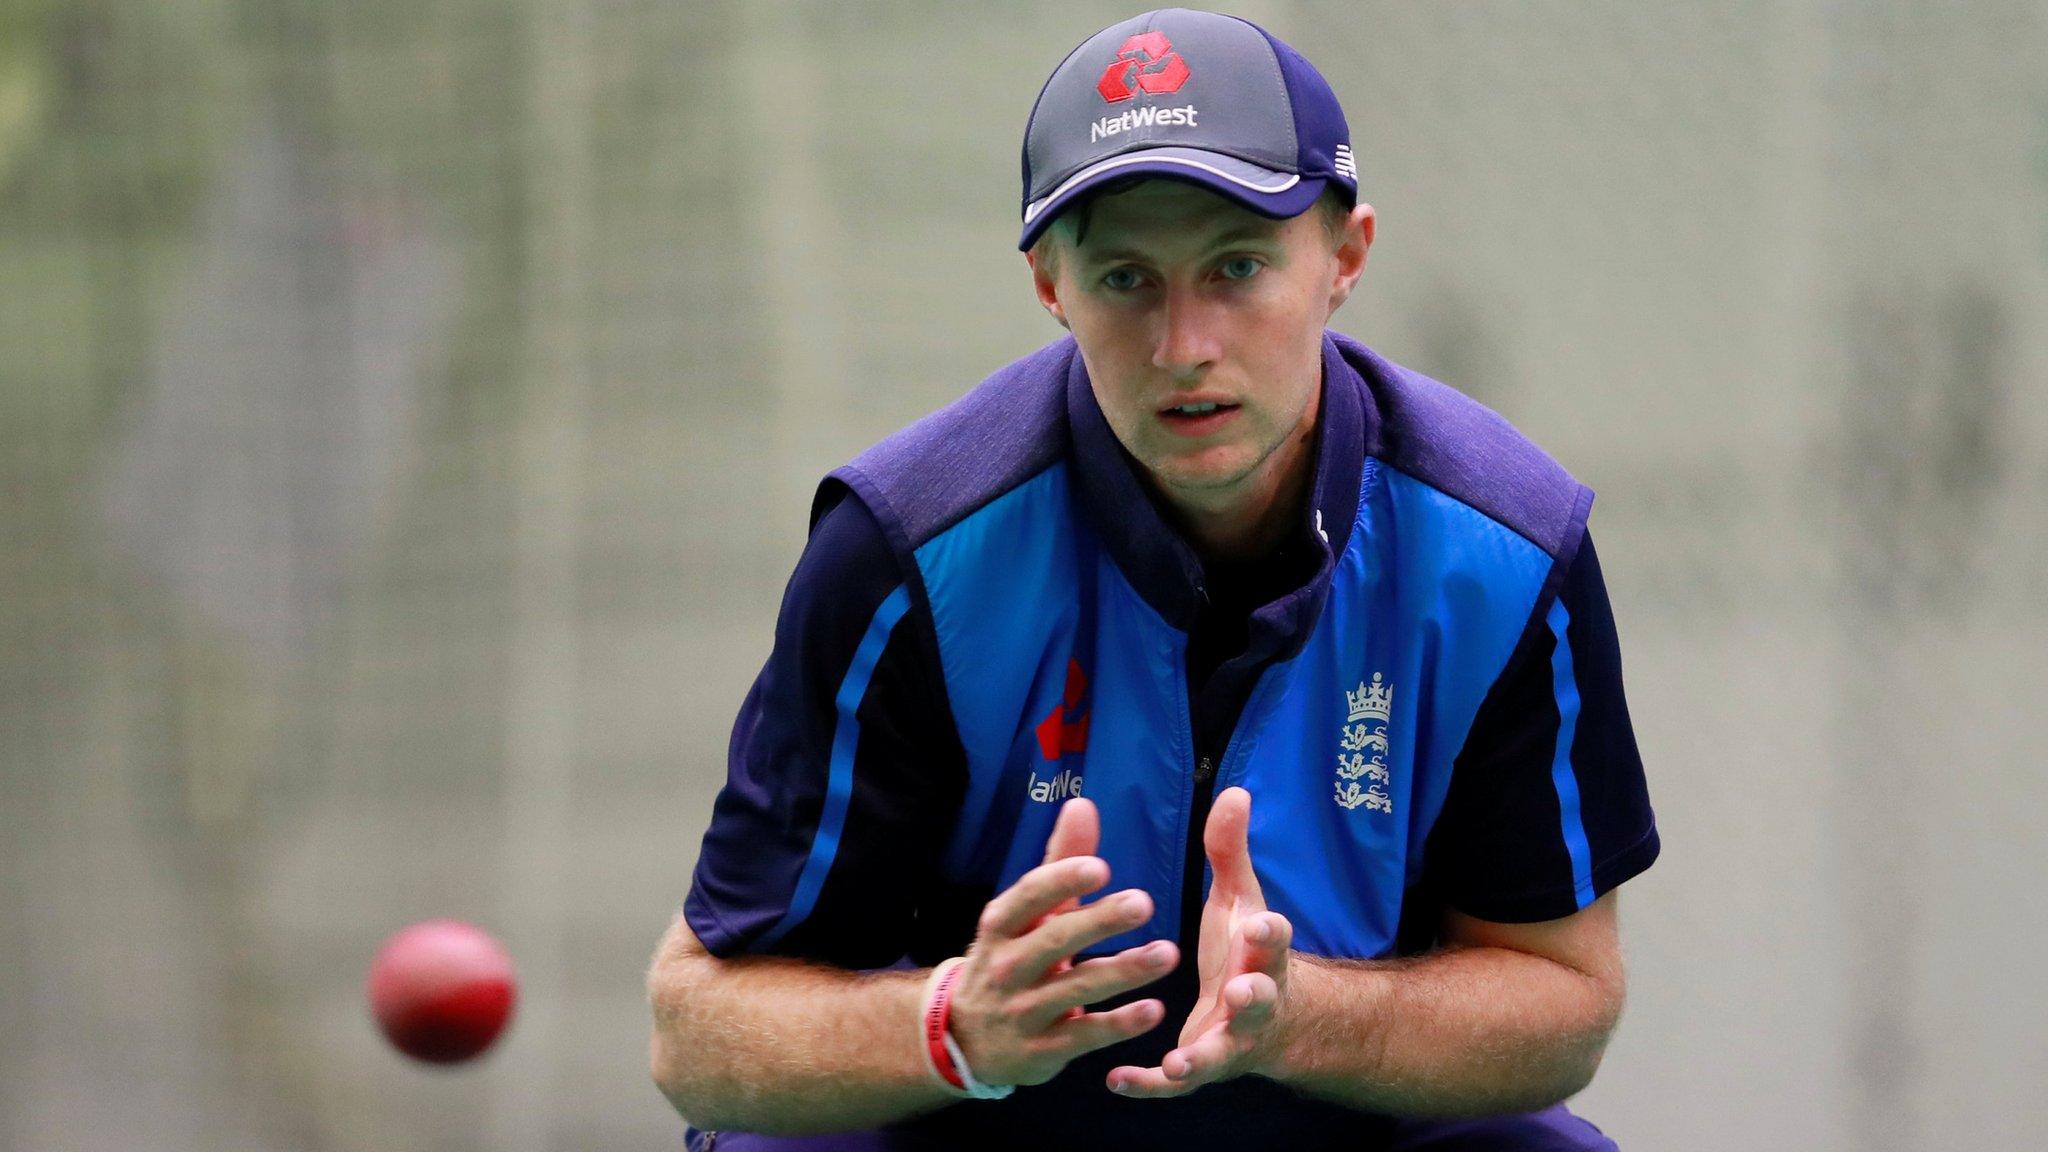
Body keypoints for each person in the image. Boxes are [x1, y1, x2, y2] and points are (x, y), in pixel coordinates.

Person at [648, 9, 1658, 1150]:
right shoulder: (906, 553)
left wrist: (1300, 1018)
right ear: (1048, 285)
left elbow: (1563, 1001)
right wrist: (953, 1027)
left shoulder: (1502, 553)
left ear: (1345, 257)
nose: (1183, 344)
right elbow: (697, 1030)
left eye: (1236, 267)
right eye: (1126, 278)